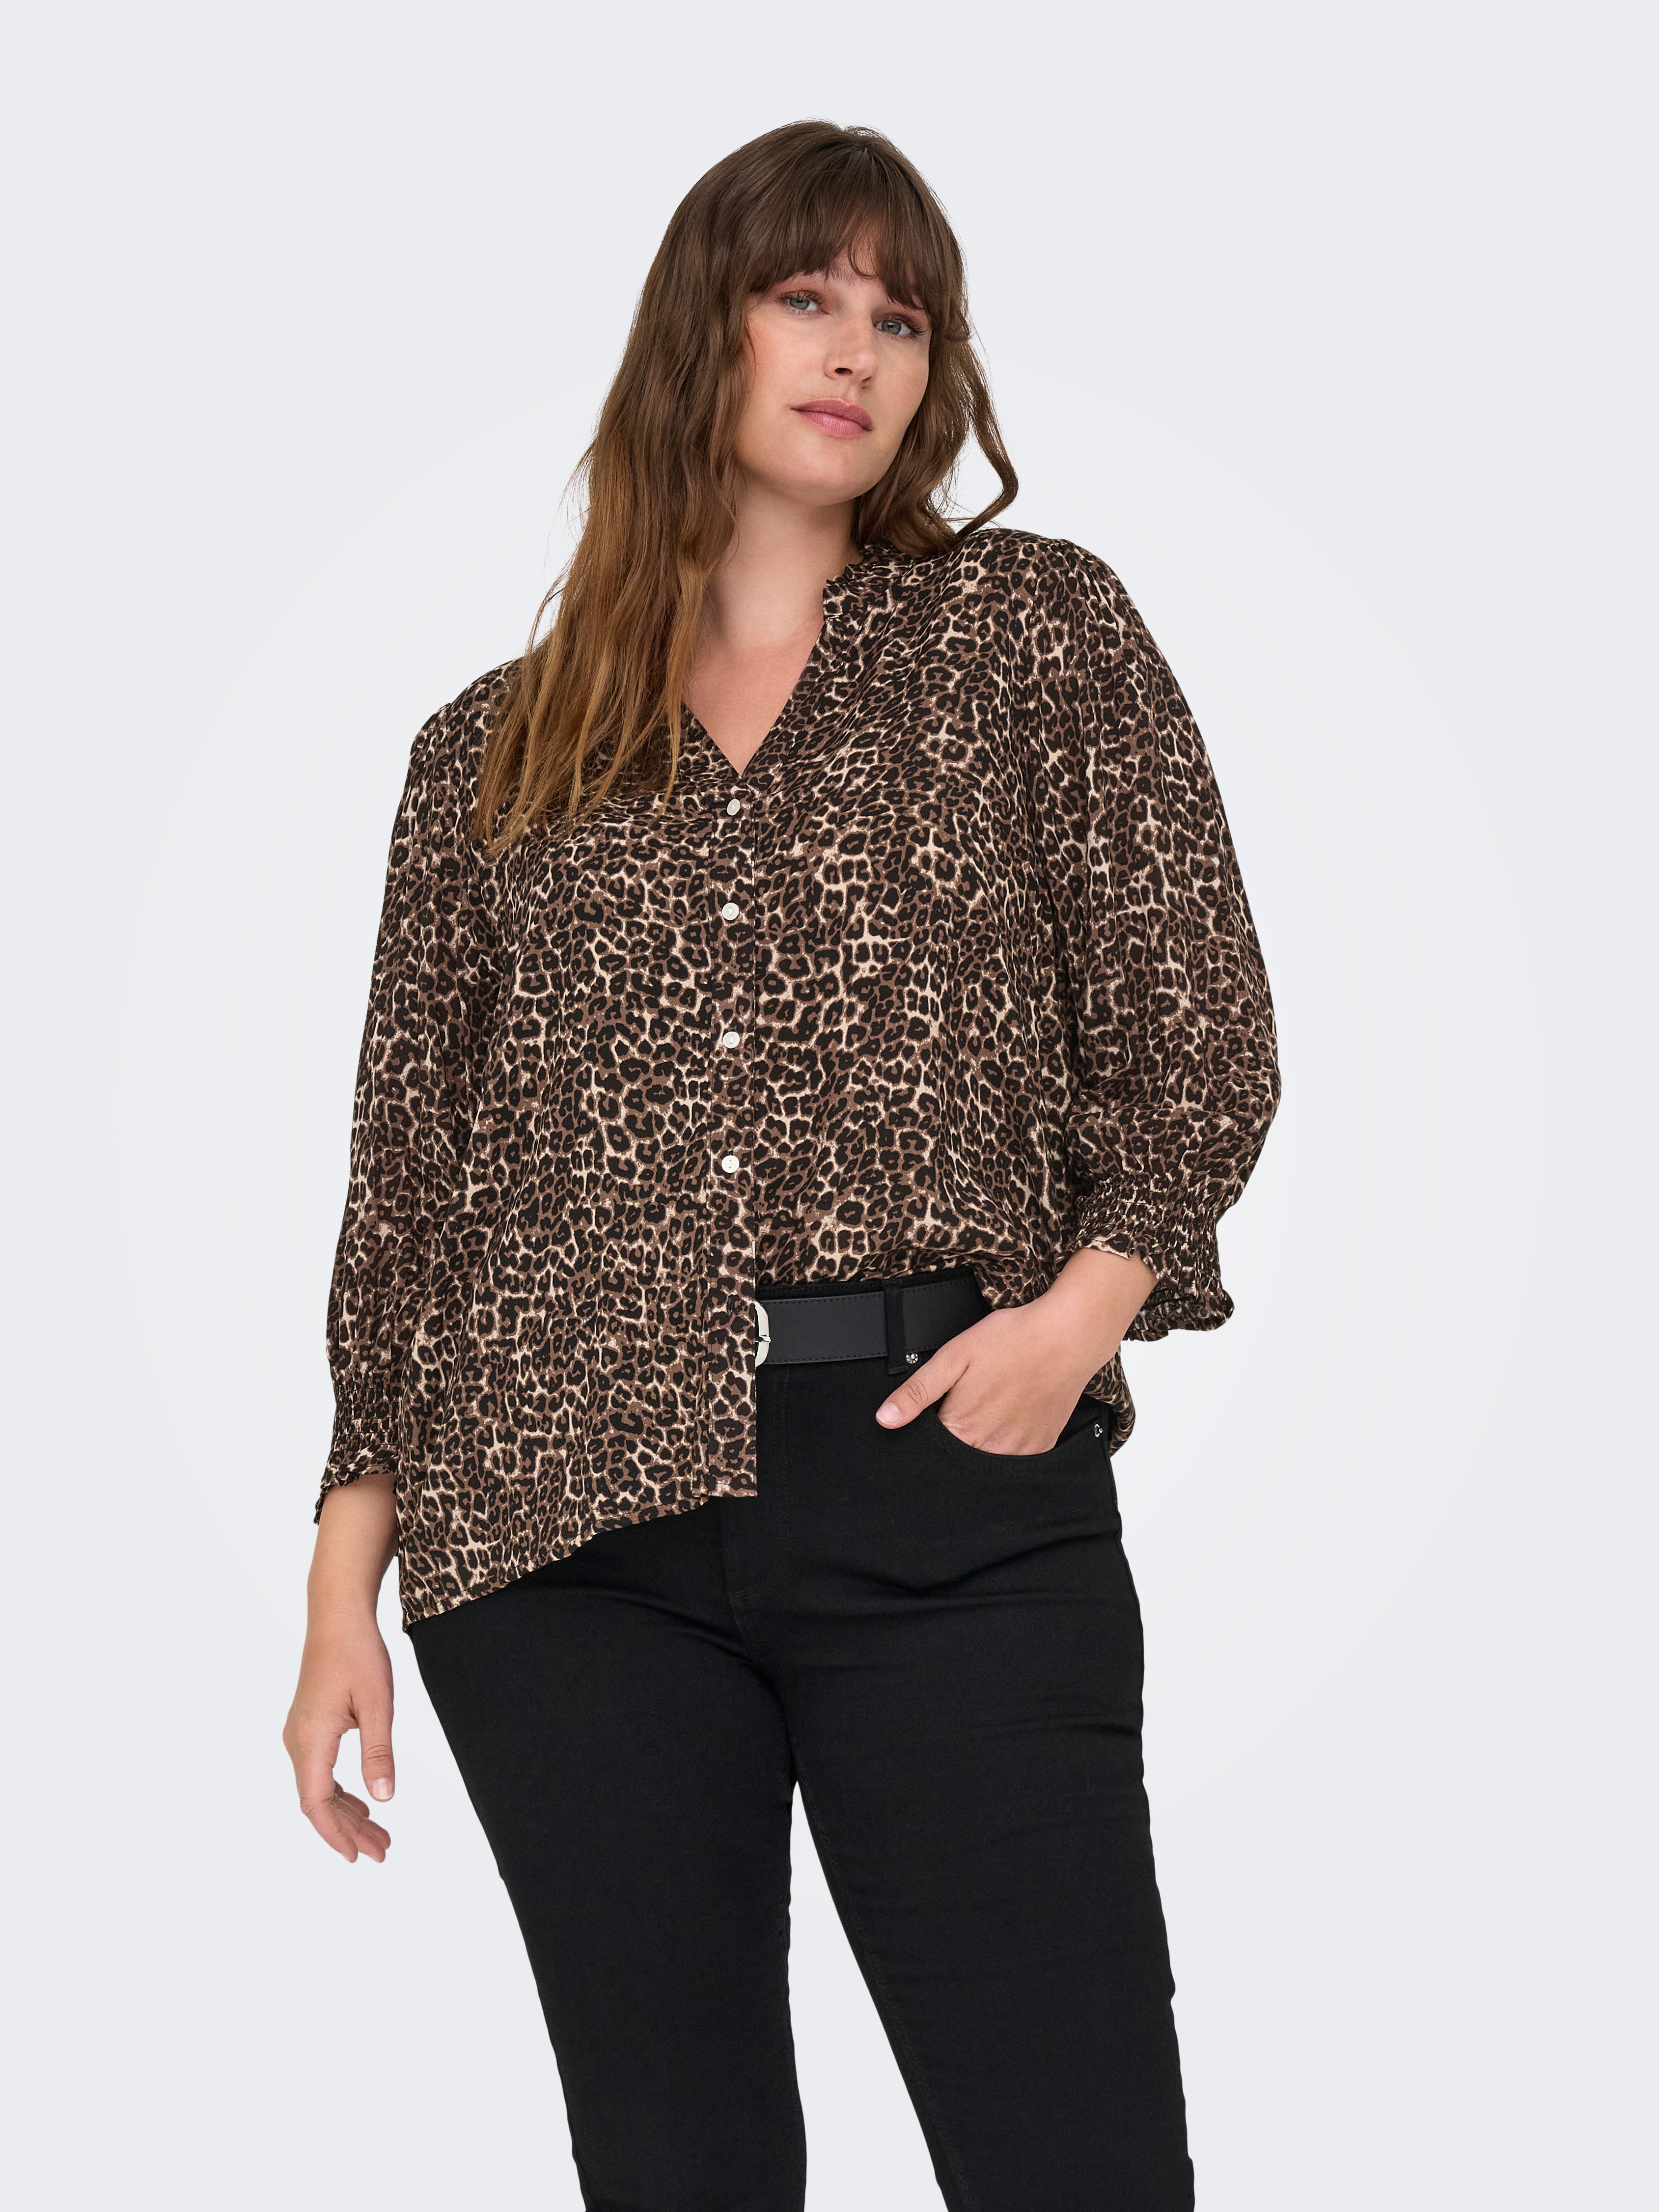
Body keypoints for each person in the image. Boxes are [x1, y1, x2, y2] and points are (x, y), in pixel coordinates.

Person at [283, 118, 1280, 2212]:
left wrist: (1078, 1313)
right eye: (803, 296)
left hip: (951, 1478)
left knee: (1076, 2153)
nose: (855, 350)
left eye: (901, 318)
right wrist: (337, 1589)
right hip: (561, 1528)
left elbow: (1195, 1018)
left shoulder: (1025, 635)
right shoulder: (491, 750)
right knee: (680, 2166)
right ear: (700, 331)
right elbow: (412, 1182)